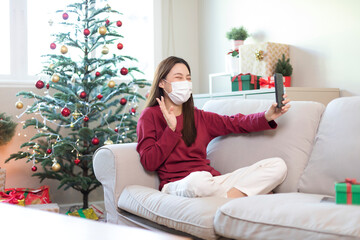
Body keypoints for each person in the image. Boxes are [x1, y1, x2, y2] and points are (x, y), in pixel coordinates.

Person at [136, 56, 291, 199]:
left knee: (277, 165)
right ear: (162, 83)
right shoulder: (149, 115)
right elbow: (149, 162)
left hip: (212, 182)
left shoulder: (198, 116)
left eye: (188, 78)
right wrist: (171, 130)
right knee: (198, 180)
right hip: (180, 185)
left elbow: (235, 123)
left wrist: (266, 116)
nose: (185, 82)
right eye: (179, 77)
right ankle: (245, 195)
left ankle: (228, 198)